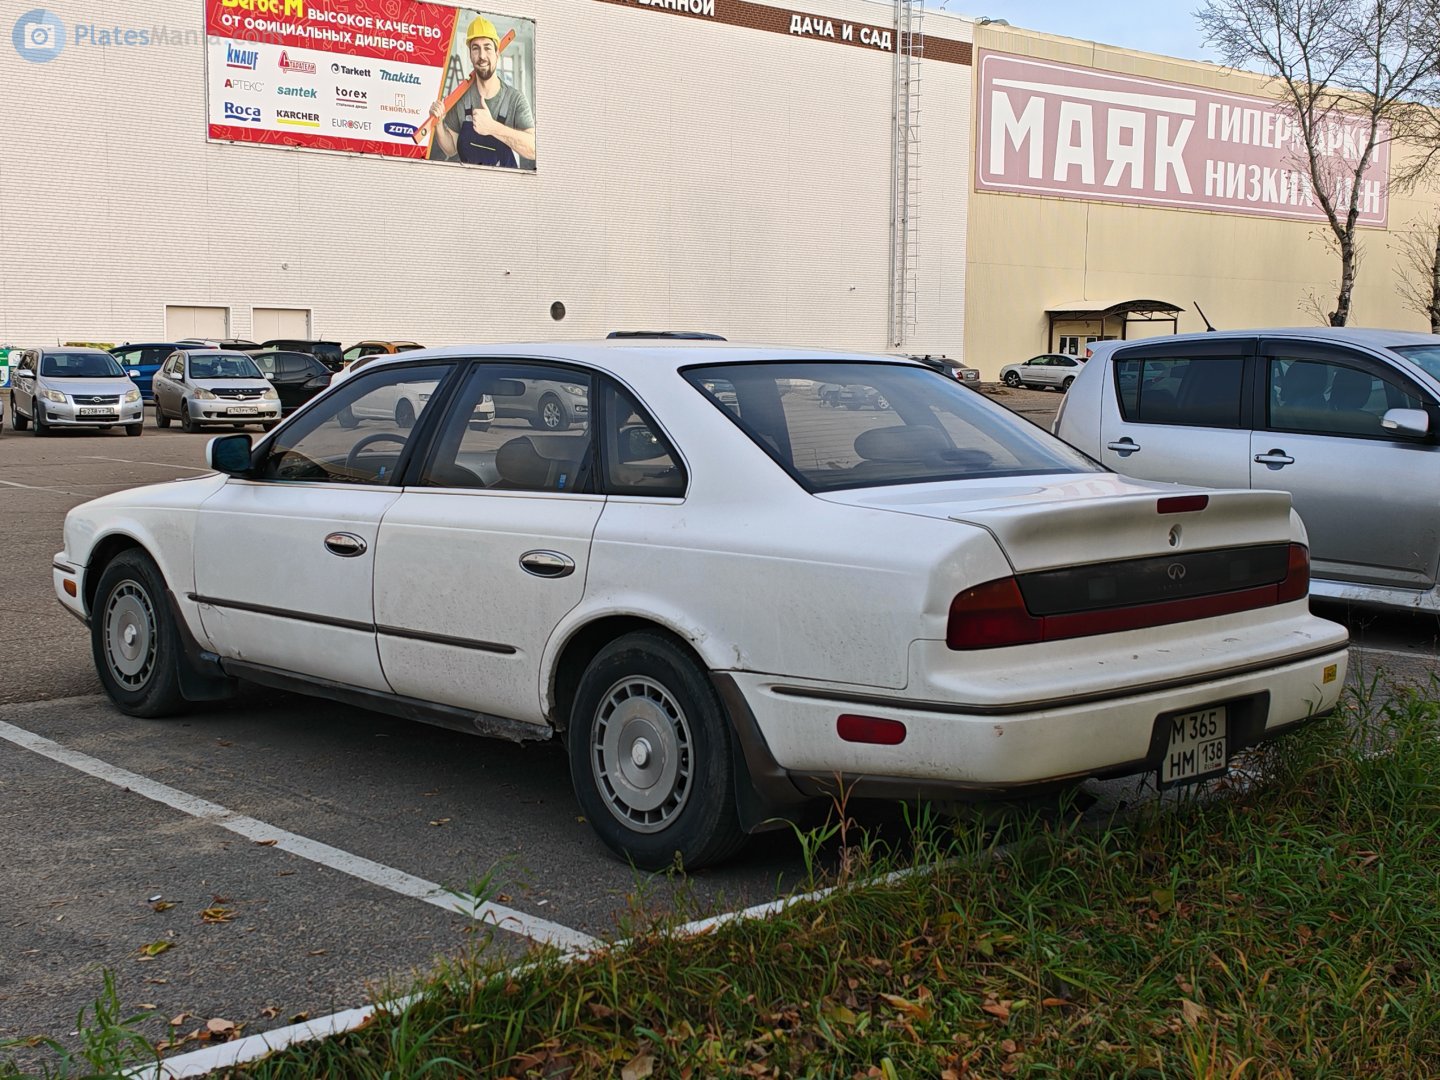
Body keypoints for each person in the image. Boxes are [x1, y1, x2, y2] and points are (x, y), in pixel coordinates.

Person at [429, 16, 535, 168]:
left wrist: (492, 127)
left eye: (487, 47)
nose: (482, 56)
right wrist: (438, 125)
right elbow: (451, 148)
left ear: (497, 53)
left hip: (505, 188)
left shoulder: (515, 99)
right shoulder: (461, 99)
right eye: (476, 48)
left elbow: (533, 149)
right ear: (470, 55)